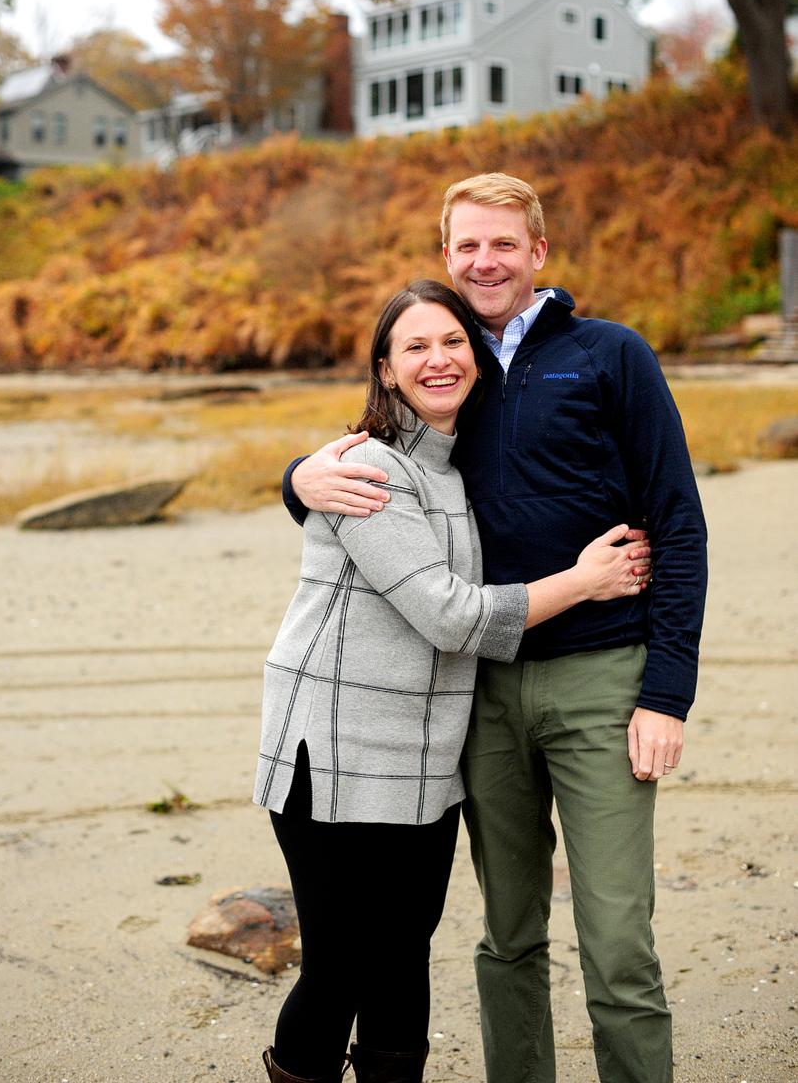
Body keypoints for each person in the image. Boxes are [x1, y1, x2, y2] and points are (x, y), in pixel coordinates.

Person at [283, 176, 708, 1083]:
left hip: (603, 681)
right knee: (507, 935)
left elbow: (677, 518)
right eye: (467, 246)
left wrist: (667, 692)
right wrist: (295, 478)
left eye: (504, 244)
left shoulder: (609, 354)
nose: (486, 261)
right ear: (447, 256)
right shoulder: (450, 368)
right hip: (478, 693)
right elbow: (364, 463)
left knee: (618, 945)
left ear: (538, 251)